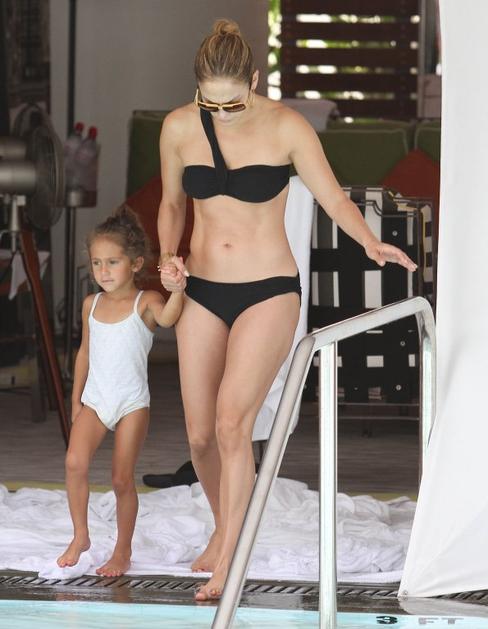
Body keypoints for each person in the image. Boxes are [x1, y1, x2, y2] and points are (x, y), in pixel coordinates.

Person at [157, 19, 417, 600]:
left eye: (232, 103)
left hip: (268, 290)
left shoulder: (286, 127)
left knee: (232, 423)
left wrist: (370, 243)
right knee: (199, 437)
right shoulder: (178, 127)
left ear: (254, 80)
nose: (222, 114)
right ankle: (224, 526)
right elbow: (172, 204)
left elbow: (332, 197)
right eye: (210, 104)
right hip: (201, 288)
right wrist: (167, 258)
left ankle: (232, 555)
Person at [57, 205, 182, 577]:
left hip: (131, 404)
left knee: (120, 479)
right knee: (74, 463)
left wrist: (177, 291)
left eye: (112, 262)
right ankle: (81, 536)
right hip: (95, 400)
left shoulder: (147, 302)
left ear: (135, 263)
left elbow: (169, 318)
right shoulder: (91, 304)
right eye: (97, 263)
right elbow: (84, 353)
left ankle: (123, 550)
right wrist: (76, 399)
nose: (103, 271)